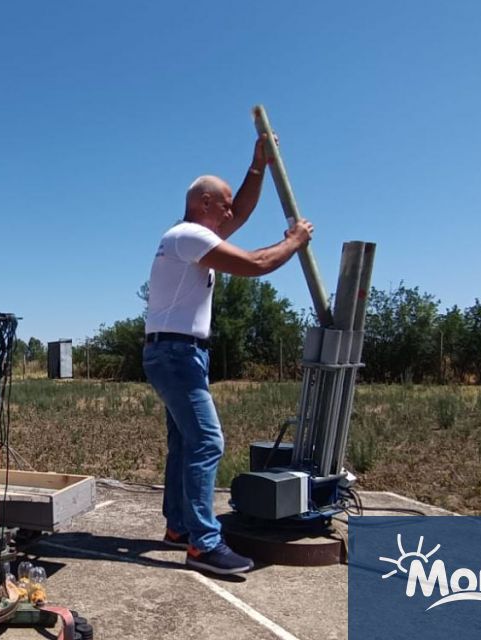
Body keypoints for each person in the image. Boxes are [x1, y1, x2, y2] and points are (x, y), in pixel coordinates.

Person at [142, 134, 314, 575]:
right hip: (177, 353)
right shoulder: (188, 236)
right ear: (203, 203)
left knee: (184, 444)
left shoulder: (191, 235)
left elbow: (244, 212)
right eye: (224, 204)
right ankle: (204, 544)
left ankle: (181, 527)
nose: (231, 212)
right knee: (207, 441)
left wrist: (257, 167)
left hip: (176, 352)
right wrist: (294, 241)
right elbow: (256, 264)